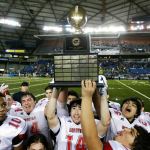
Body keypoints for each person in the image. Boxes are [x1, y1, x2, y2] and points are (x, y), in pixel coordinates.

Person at [81, 80, 150, 150]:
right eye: (127, 103)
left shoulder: (118, 147)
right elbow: (101, 112)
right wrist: (98, 91)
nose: (125, 128)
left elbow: (92, 142)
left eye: (131, 133)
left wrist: (87, 96)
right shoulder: (115, 114)